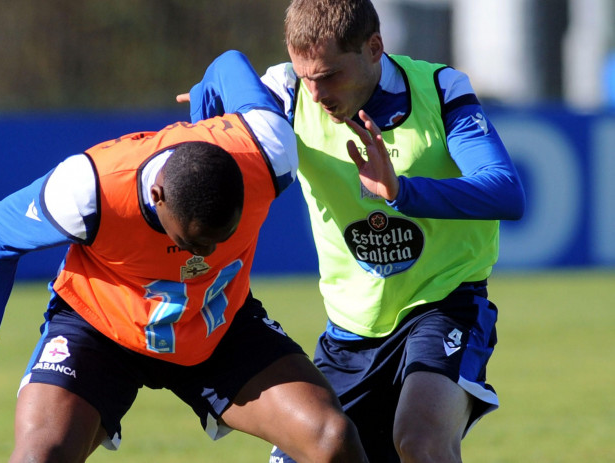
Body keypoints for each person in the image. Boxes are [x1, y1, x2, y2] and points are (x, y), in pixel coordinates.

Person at [0, 50, 368, 463]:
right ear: (156, 196)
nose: (204, 255)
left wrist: (206, 97)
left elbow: (229, 62)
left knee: (332, 438)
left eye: (221, 239)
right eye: (194, 242)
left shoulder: (268, 151)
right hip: (102, 329)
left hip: (215, 322)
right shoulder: (91, 189)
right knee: (40, 456)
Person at [187, 1, 526, 462]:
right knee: (314, 451)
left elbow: (506, 192)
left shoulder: (440, 89)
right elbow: (229, 67)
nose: (317, 91)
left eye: (328, 75)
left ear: (374, 48)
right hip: (349, 332)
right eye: (307, 76)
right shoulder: (288, 93)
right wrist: (208, 92)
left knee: (420, 441)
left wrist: (401, 191)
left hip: (444, 306)